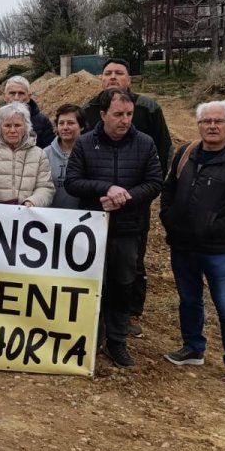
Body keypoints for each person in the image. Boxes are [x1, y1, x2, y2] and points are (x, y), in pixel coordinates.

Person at [160, 100, 225, 386]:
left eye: (219, 121)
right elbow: (169, 189)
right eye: (207, 121)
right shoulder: (185, 153)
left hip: (219, 251)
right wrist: (168, 218)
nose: (212, 126)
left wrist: (215, 229)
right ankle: (193, 348)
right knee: (189, 300)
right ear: (199, 125)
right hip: (183, 245)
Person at [64, 89, 163, 369]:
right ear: (103, 114)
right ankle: (89, 340)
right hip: (91, 229)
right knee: (91, 285)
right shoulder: (84, 144)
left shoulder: (145, 144)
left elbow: (155, 182)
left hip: (129, 228)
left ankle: (117, 342)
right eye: (118, 114)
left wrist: (125, 197)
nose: (125, 120)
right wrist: (104, 189)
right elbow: (73, 181)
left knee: (122, 285)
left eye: (129, 114)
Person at [81, 58, 172, 338]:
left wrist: (137, 195)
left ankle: (130, 314)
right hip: (97, 208)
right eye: (107, 73)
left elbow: (163, 150)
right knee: (95, 263)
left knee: (132, 263)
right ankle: (94, 316)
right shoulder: (89, 110)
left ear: (129, 79)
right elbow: (82, 163)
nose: (112, 77)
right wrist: (101, 191)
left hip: (134, 208)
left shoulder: (148, 108)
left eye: (119, 72)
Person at [0, 102, 54, 207]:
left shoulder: (39, 154)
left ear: (26, 127)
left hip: (26, 216)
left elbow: (46, 187)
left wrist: (33, 201)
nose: (12, 130)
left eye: (17, 125)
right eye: (7, 125)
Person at [0, 76, 53, 149]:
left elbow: (49, 153)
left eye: (21, 93)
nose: (16, 98)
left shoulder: (43, 123)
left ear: (29, 96)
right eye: (12, 93)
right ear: (4, 96)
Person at [45, 104, 86, 209]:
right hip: (52, 219)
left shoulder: (91, 153)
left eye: (71, 123)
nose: (65, 127)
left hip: (84, 219)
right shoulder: (45, 154)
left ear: (81, 126)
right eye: (61, 123)